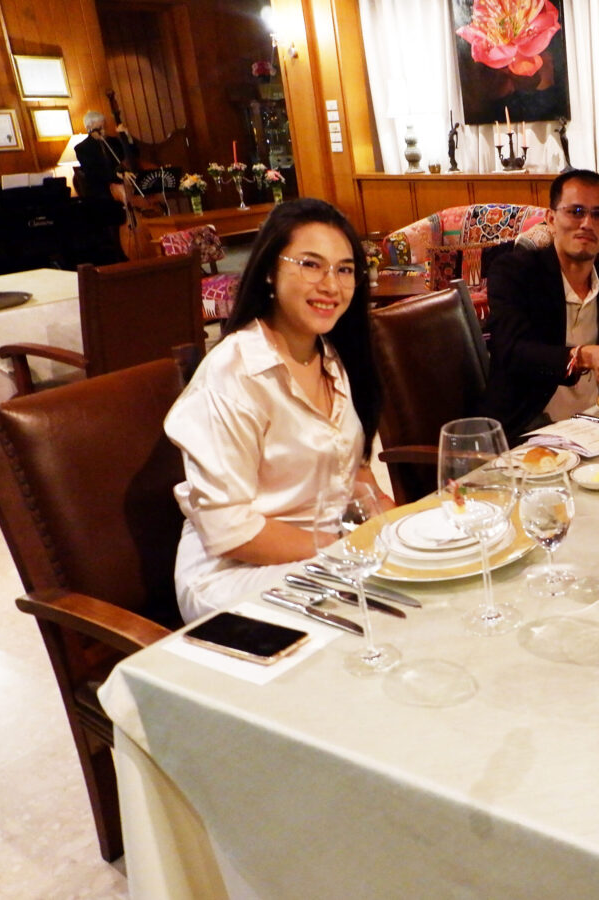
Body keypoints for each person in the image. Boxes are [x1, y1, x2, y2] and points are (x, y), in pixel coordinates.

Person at [164, 198, 390, 622]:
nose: (331, 285)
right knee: (380, 614)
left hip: (321, 553)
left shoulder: (333, 356)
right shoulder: (234, 374)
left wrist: (409, 526)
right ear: (270, 269)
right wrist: (341, 548)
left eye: (344, 270)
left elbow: (356, 475)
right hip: (234, 575)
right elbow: (229, 530)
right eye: (311, 265)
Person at [481, 169, 599, 440]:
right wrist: (583, 356)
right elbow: (511, 350)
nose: (586, 223)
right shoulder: (515, 273)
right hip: (527, 430)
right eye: (576, 212)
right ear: (551, 219)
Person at [74, 110, 138, 201]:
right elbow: (93, 172)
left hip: (122, 186)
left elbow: (134, 154)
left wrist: (128, 136)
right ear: (89, 128)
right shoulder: (82, 148)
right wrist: (118, 175)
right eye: (99, 128)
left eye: (104, 127)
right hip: (101, 191)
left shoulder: (113, 141)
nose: (103, 131)